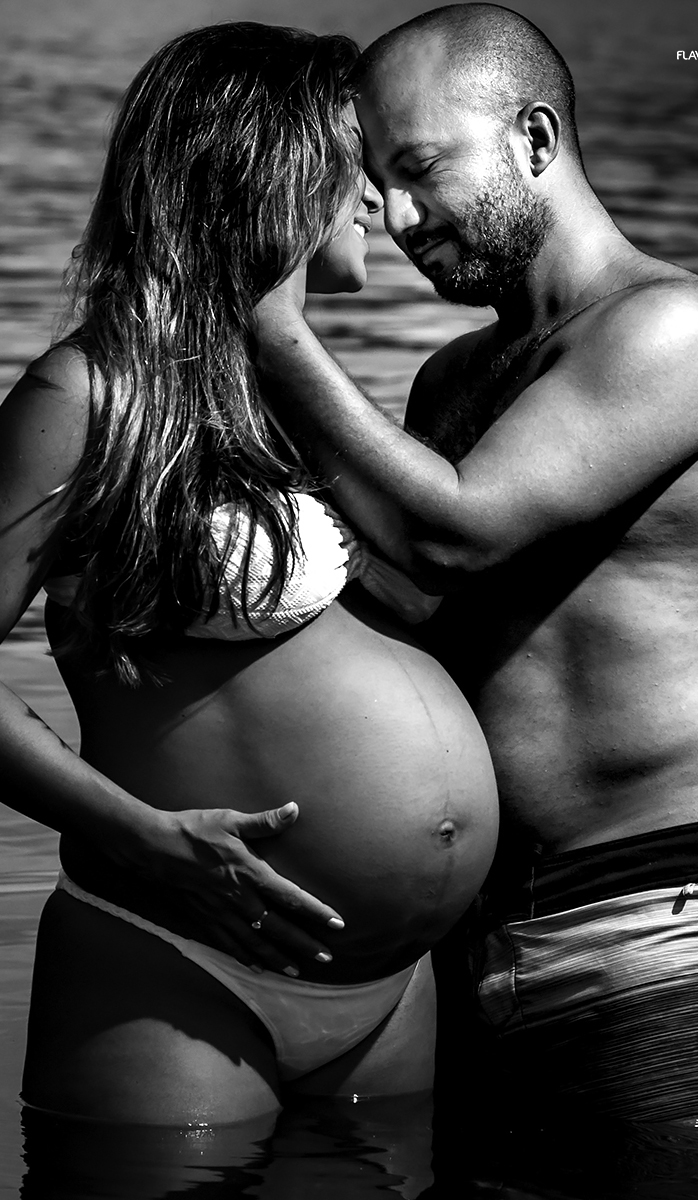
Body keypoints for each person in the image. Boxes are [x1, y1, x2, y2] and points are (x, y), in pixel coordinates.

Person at [252, 4, 698, 1128]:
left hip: (669, 914)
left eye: (421, 169)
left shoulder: (673, 329)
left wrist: (268, 326)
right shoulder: (451, 382)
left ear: (535, 142)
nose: (398, 217)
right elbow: (411, 595)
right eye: (378, 184)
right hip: (486, 934)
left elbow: (457, 532)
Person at [0, 22, 498, 1129]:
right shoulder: (90, 396)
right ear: (258, 166)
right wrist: (145, 839)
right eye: (350, 161)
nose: (377, 197)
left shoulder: (294, 401)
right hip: (178, 966)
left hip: (387, 988)